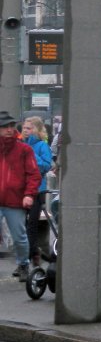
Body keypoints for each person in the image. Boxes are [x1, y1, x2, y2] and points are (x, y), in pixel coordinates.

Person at [0, 110, 42, 281]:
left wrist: (29, 194)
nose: (9, 129)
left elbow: (34, 174)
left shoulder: (24, 149)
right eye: (5, 127)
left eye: (11, 126)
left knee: (19, 237)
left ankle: (23, 263)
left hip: (15, 200)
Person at [21, 116, 53, 267]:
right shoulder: (20, 144)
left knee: (31, 225)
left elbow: (46, 166)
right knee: (21, 225)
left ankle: (31, 256)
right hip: (20, 189)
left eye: (29, 128)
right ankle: (26, 257)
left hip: (36, 190)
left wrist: (30, 153)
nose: (26, 131)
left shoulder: (41, 145)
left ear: (37, 130)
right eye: (24, 128)